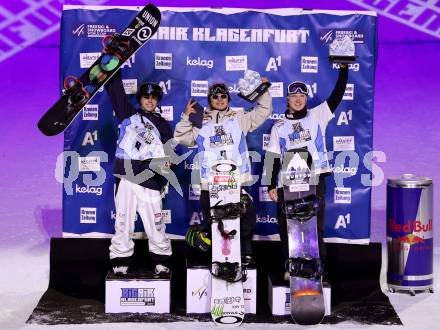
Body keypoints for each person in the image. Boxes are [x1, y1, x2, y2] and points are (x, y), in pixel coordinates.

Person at [174, 79, 273, 265]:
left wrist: (262, 90)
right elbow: (181, 137)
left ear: (228, 98)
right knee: (214, 222)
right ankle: (216, 259)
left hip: (236, 182)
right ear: (210, 99)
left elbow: (264, 111)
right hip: (209, 183)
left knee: (246, 218)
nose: (220, 100)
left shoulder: (239, 118)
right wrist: (186, 117)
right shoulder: (200, 120)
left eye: (223, 96)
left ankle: (245, 254)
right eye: (215, 96)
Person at [265, 64, 348, 280]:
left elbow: (337, 95)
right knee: (288, 227)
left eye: (302, 95)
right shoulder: (278, 126)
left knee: (315, 226)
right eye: (294, 96)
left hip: (314, 179)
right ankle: (289, 267)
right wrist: (270, 185)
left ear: (306, 98)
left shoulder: (317, 115)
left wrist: (344, 70)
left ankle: (320, 268)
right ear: (287, 100)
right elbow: (272, 156)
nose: (298, 99)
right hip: (287, 183)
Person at [105, 71, 173, 276]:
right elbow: (115, 92)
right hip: (126, 176)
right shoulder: (128, 114)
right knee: (123, 220)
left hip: (149, 179)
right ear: (140, 99)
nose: (150, 100)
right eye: (146, 97)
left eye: (153, 97)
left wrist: (169, 164)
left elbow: (169, 152)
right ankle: (121, 259)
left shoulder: (162, 125)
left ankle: (161, 261)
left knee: (155, 222)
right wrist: (112, 67)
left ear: (158, 100)